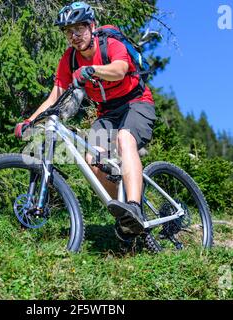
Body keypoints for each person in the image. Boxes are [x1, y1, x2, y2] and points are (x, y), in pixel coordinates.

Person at [15, 2, 156, 235]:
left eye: (79, 28)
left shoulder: (109, 43)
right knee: (93, 158)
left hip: (136, 103)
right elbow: (55, 97)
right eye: (68, 31)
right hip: (107, 112)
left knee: (125, 138)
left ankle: (135, 206)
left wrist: (93, 70)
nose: (74, 35)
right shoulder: (69, 59)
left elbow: (120, 69)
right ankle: (127, 216)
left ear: (92, 26)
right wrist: (30, 121)